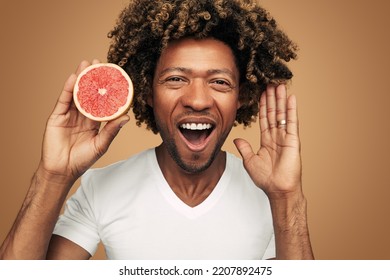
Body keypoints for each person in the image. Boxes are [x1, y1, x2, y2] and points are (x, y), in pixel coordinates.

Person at [0, 0, 313, 260]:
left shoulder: (269, 197)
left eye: (219, 81)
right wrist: (52, 176)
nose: (198, 100)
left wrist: (286, 199)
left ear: (240, 98)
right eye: (176, 78)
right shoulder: (101, 188)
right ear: (147, 92)